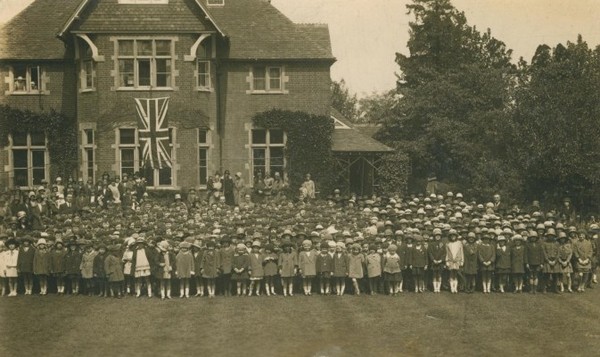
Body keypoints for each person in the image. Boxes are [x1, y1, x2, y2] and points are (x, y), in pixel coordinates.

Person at [428, 228, 446, 293]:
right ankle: (435, 288)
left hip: (440, 262)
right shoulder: (431, 244)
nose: (437, 237)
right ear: (434, 236)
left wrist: (441, 260)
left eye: (439, 235)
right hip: (434, 262)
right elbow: (430, 253)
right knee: (434, 275)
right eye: (436, 235)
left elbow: (444, 253)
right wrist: (433, 260)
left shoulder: (442, 244)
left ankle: (439, 288)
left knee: (439, 275)